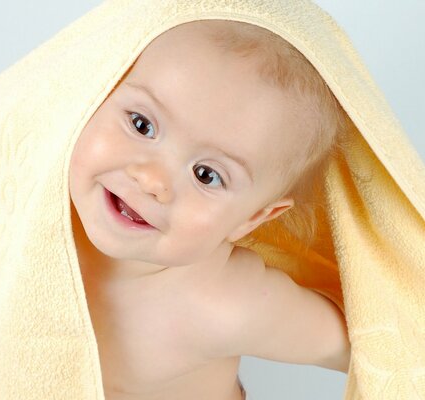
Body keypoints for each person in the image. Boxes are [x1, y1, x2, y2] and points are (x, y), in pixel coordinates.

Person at [68, 19, 351, 400]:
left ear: (253, 218)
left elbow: (380, 347)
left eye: (206, 175)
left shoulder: (229, 303)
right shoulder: (36, 196)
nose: (152, 180)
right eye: (141, 124)